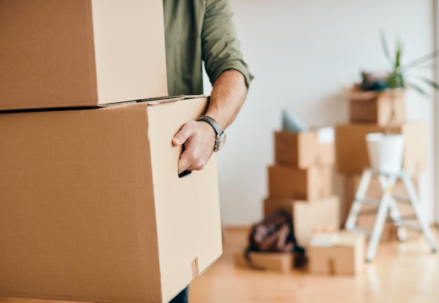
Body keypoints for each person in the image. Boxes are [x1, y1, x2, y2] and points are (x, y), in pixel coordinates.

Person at [163, 0, 253, 302]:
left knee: (170, 286)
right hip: (94, 162)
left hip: (171, 166)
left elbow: (232, 68)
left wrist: (211, 126)